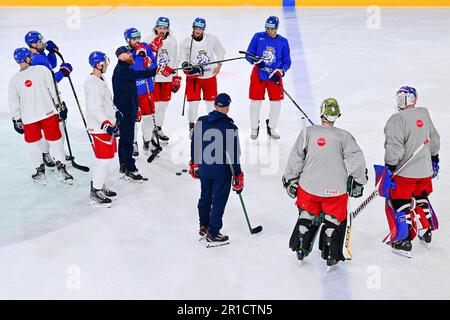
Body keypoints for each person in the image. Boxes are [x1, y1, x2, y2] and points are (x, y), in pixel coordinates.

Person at [283, 98, 367, 267]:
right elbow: (356, 161)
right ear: (337, 115)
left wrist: (290, 180)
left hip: (308, 188)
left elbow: (295, 159)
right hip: (335, 191)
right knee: (333, 219)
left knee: (307, 214)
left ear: (322, 113)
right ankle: (330, 251)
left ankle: (301, 243)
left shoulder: (308, 133)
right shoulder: (344, 136)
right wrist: (359, 181)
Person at [383, 86, 440, 257]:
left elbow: (394, 148)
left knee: (399, 203)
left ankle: (403, 240)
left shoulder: (397, 119)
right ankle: (425, 231)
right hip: (424, 171)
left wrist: (389, 167)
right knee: (421, 198)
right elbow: (435, 141)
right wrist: (434, 159)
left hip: (404, 173)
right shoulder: (424, 114)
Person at [8, 47, 73, 185]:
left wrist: (17, 119)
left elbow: (14, 102)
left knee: (34, 146)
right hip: (48, 113)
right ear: (27, 58)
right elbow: (53, 89)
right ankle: (61, 170)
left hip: (29, 118)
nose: (31, 58)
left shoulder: (14, 80)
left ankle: (40, 171)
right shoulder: (43, 71)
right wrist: (59, 106)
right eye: (29, 56)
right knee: (56, 142)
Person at [190, 93, 244, 247]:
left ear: (214, 105)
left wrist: (194, 164)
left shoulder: (201, 121)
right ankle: (213, 233)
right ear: (227, 107)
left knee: (205, 197)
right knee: (219, 201)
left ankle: (204, 225)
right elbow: (234, 155)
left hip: (205, 169)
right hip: (222, 172)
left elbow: (195, 144)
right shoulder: (230, 127)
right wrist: (238, 174)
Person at [112, 46, 173, 182]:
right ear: (120, 56)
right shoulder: (123, 71)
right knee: (127, 141)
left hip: (126, 110)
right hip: (125, 112)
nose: (130, 54)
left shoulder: (124, 69)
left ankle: (123, 167)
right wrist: (157, 70)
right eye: (127, 53)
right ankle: (130, 169)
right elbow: (140, 74)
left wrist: (136, 109)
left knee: (124, 140)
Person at [25, 30, 73, 168]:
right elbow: (50, 80)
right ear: (32, 44)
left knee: (55, 126)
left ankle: (50, 154)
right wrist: (63, 73)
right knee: (57, 127)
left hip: (48, 95)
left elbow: (51, 64)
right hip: (48, 96)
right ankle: (50, 154)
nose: (43, 43)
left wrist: (52, 52)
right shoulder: (37, 60)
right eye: (40, 41)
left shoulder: (39, 54)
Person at [245, 16, 291, 140]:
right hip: (258, 75)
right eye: (267, 28)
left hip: (274, 76)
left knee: (276, 103)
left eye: (271, 28)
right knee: (255, 102)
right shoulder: (258, 37)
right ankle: (254, 127)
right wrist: (255, 60)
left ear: (276, 28)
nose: (269, 31)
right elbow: (248, 54)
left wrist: (281, 71)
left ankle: (272, 127)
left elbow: (287, 61)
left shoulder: (283, 41)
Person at [180, 17, 226, 137]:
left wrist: (219, 65)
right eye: (196, 28)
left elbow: (220, 51)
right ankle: (192, 125)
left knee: (211, 104)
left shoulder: (211, 39)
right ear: (193, 28)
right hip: (194, 79)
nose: (198, 31)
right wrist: (187, 66)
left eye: (200, 29)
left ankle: (212, 124)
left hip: (209, 77)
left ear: (203, 29)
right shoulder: (186, 42)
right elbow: (182, 59)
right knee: (193, 106)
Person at [85, 51, 120, 207]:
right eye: (104, 62)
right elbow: (94, 108)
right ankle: (95, 191)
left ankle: (100, 185)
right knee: (103, 160)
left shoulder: (101, 79)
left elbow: (106, 102)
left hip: (106, 126)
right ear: (98, 64)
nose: (107, 64)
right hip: (100, 129)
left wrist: (115, 111)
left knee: (107, 159)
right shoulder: (93, 84)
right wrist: (106, 124)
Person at [124, 27, 162, 157]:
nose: (137, 41)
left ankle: (147, 140)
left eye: (138, 38)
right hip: (133, 91)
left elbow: (154, 66)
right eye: (134, 39)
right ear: (128, 40)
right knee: (133, 119)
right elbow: (134, 70)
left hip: (147, 90)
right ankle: (133, 142)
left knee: (148, 118)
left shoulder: (145, 46)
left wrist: (149, 61)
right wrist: (141, 59)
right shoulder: (125, 52)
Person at [144, 17, 181, 142]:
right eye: (160, 28)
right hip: (154, 79)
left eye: (164, 28)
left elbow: (176, 59)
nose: (162, 30)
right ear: (156, 27)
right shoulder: (149, 39)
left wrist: (176, 76)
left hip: (167, 78)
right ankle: (150, 130)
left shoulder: (172, 41)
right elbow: (144, 59)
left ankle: (158, 128)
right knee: (154, 106)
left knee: (163, 106)